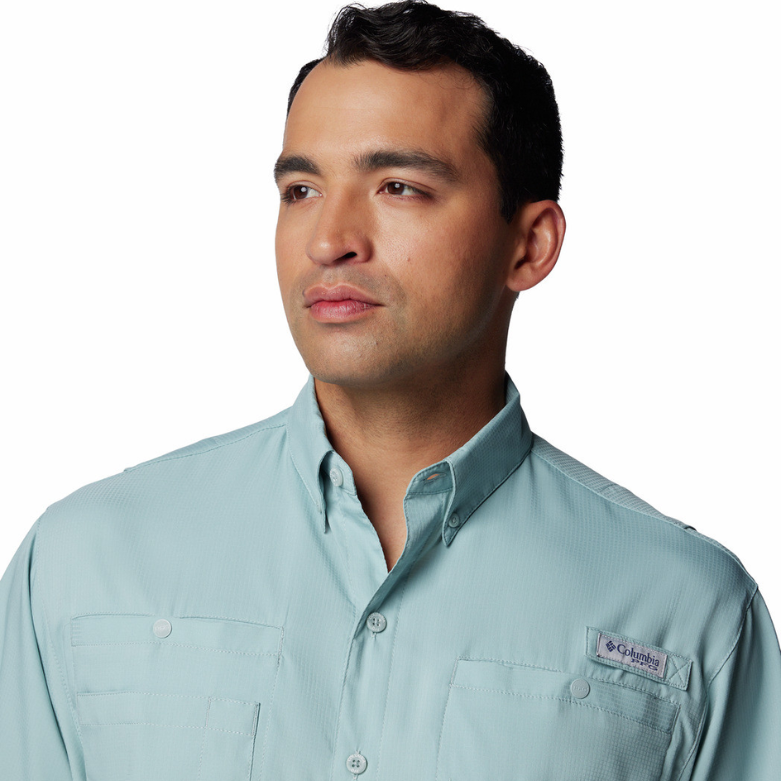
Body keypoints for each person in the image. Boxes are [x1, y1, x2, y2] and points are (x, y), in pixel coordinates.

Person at [1, 1, 779, 778]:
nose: (328, 240)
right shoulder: (80, 561)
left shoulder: (689, 608)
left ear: (529, 244)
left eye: (398, 186)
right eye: (300, 190)